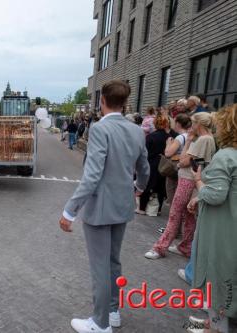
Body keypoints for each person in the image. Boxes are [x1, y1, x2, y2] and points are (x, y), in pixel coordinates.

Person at [60, 80, 150, 333]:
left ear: (102, 101)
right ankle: (112, 312)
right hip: (122, 205)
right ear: (125, 103)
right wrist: (139, 187)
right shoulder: (136, 130)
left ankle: (100, 324)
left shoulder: (100, 129)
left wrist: (70, 210)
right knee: (113, 262)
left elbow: (92, 174)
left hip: (100, 208)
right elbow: (144, 167)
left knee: (100, 266)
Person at [185, 105, 237, 333]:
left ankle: (217, 327)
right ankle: (215, 323)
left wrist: (198, 183)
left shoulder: (227, 156)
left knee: (219, 277)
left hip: (223, 229)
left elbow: (216, 195)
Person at [145, 112, 216, 260]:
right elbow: (198, 161)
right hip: (192, 180)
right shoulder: (209, 139)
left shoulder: (203, 140)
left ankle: (160, 247)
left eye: (193, 123)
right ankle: (185, 246)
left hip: (187, 180)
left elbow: (184, 161)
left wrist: (189, 142)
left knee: (175, 214)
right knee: (188, 216)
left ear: (198, 124)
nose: (191, 127)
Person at [137, 113, 171, 215]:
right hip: (164, 164)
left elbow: (145, 151)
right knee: (161, 187)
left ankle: (142, 208)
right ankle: (158, 209)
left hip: (151, 163)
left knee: (148, 186)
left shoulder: (150, 137)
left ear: (155, 124)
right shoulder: (169, 137)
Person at [164, 113, 192, 204]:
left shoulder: (180, 137)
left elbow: (168, 153)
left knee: (172, 189)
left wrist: (168, 143)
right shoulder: (190, 135)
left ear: (178, 124)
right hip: (187, 167)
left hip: (175, 166)